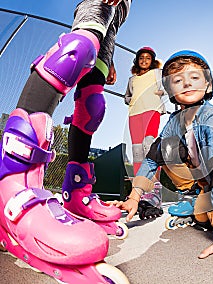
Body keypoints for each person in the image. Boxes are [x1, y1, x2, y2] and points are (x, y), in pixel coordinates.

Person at [0, 0, 131, 280]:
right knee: (74, 52)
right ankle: (11, 188)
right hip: (101, 5)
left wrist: (110, 57)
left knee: (92, 104)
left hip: (115, 18)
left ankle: (77, 194)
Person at [114, 50, 213, 266]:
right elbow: (152, 159)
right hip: (193, 181)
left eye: (194, 77)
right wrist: (134, 197)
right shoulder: (174, 122)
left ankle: (201, 208)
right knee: (163, 146)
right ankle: (194, 200)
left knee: (210, 211)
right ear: (169, 90)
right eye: (178, 80)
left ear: (208, 84)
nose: (186, 83)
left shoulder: (212, 116)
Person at [124, 46, 165, 219]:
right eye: (141, 58)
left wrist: (161, 92)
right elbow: (126, 97)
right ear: (137, 61)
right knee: (137, 151)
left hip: (152, 109)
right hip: (135, 113)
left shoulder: (157, 73)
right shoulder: (132, 79)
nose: (144, 61)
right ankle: (139, 191)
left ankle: (155, 190)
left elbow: (167, 86)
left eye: (148, 58)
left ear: (152, 61)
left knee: (149, 146)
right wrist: (132, 100)